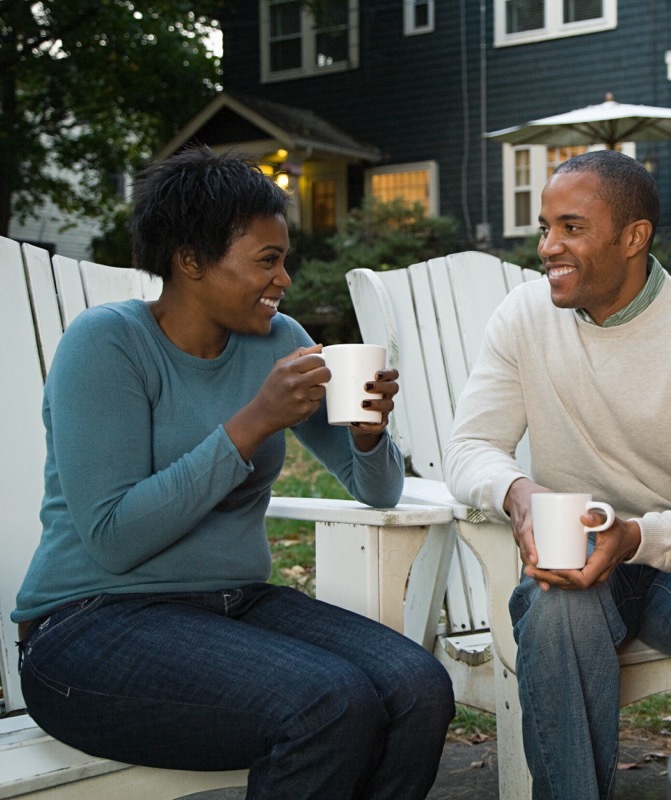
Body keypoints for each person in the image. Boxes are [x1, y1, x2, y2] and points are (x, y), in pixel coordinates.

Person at [11, 148, 454, 800]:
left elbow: (378, 490)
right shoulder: (107, 344)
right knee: (328, 704)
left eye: (285, 259)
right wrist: (253, 422)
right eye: (267, 261)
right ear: (190, 260)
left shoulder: (276, 339)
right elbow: (113, 536)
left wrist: (368, 433)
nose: (285, 280)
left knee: (417, 687)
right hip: (88, 628)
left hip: (233, 607)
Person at [443, 150, 671, 799]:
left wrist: (634, 537)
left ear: (633, 237)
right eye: (545, 227)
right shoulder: (524, 318)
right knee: (556, 606)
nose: (549, 246)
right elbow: (470, 447)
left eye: (571, 228)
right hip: (575, 563)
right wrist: (517, 493)